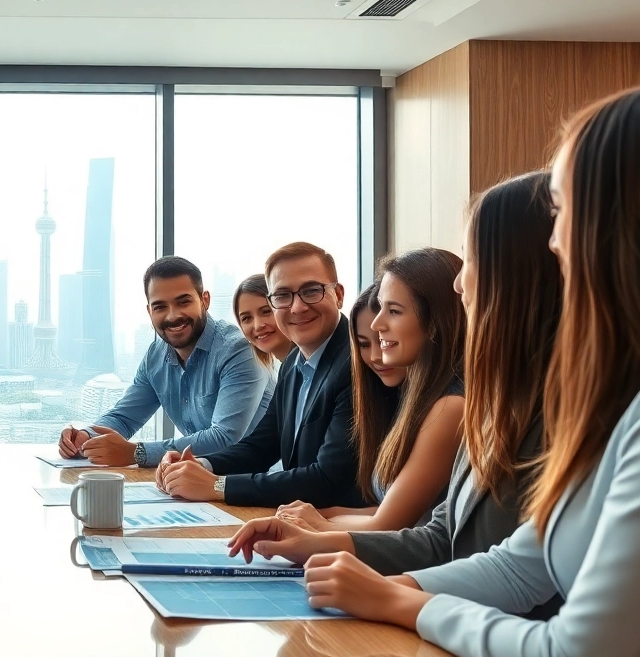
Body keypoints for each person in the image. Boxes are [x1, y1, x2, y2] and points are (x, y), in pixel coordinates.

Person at [295, 77, 640, 657]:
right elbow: (518, 565)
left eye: (563, 212)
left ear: (623, 223)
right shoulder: (624, 395)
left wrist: (406, 603)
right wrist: (385, 587)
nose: (554, 241)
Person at [230, 172, 564, 621]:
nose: (460, 284)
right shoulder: (497, 400)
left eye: (473, 260)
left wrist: (389, 592)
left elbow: (536, 597)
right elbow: (444, 535)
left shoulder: (475, 404)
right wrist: (323, 543)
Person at [157, 242, 363, 509]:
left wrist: (217, 485)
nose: (297, 307)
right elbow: (261, 446)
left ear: (338, 295)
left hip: (344, 533)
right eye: (282, 296)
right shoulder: (294, 363)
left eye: (311, 291)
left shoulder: (356, 363)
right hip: (303, 523)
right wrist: (198, 464)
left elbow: (327, 480)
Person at [277, 249, 465, 531]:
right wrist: (324, 515)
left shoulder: (449, 406)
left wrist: (319, 524)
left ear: (435, 322)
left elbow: (389, 526)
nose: (378, 324)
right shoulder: (414, 397)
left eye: (394, 311)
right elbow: (389, 512)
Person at [56, 255, 270, 467]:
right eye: (160, 307)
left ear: (205, 300)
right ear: (149, 311)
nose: (172, 316)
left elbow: (224, 438)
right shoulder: (156, 356)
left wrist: (137, 453)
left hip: (259, 485)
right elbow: (124, 418)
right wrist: (86, 437)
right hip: (199, 480)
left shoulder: (239, 349)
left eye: (183, 302)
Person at [232, 273, 296, 373]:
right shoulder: (287, 371)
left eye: (266, 312)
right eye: (246, 318)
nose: (258, 326)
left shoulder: (311, 369)